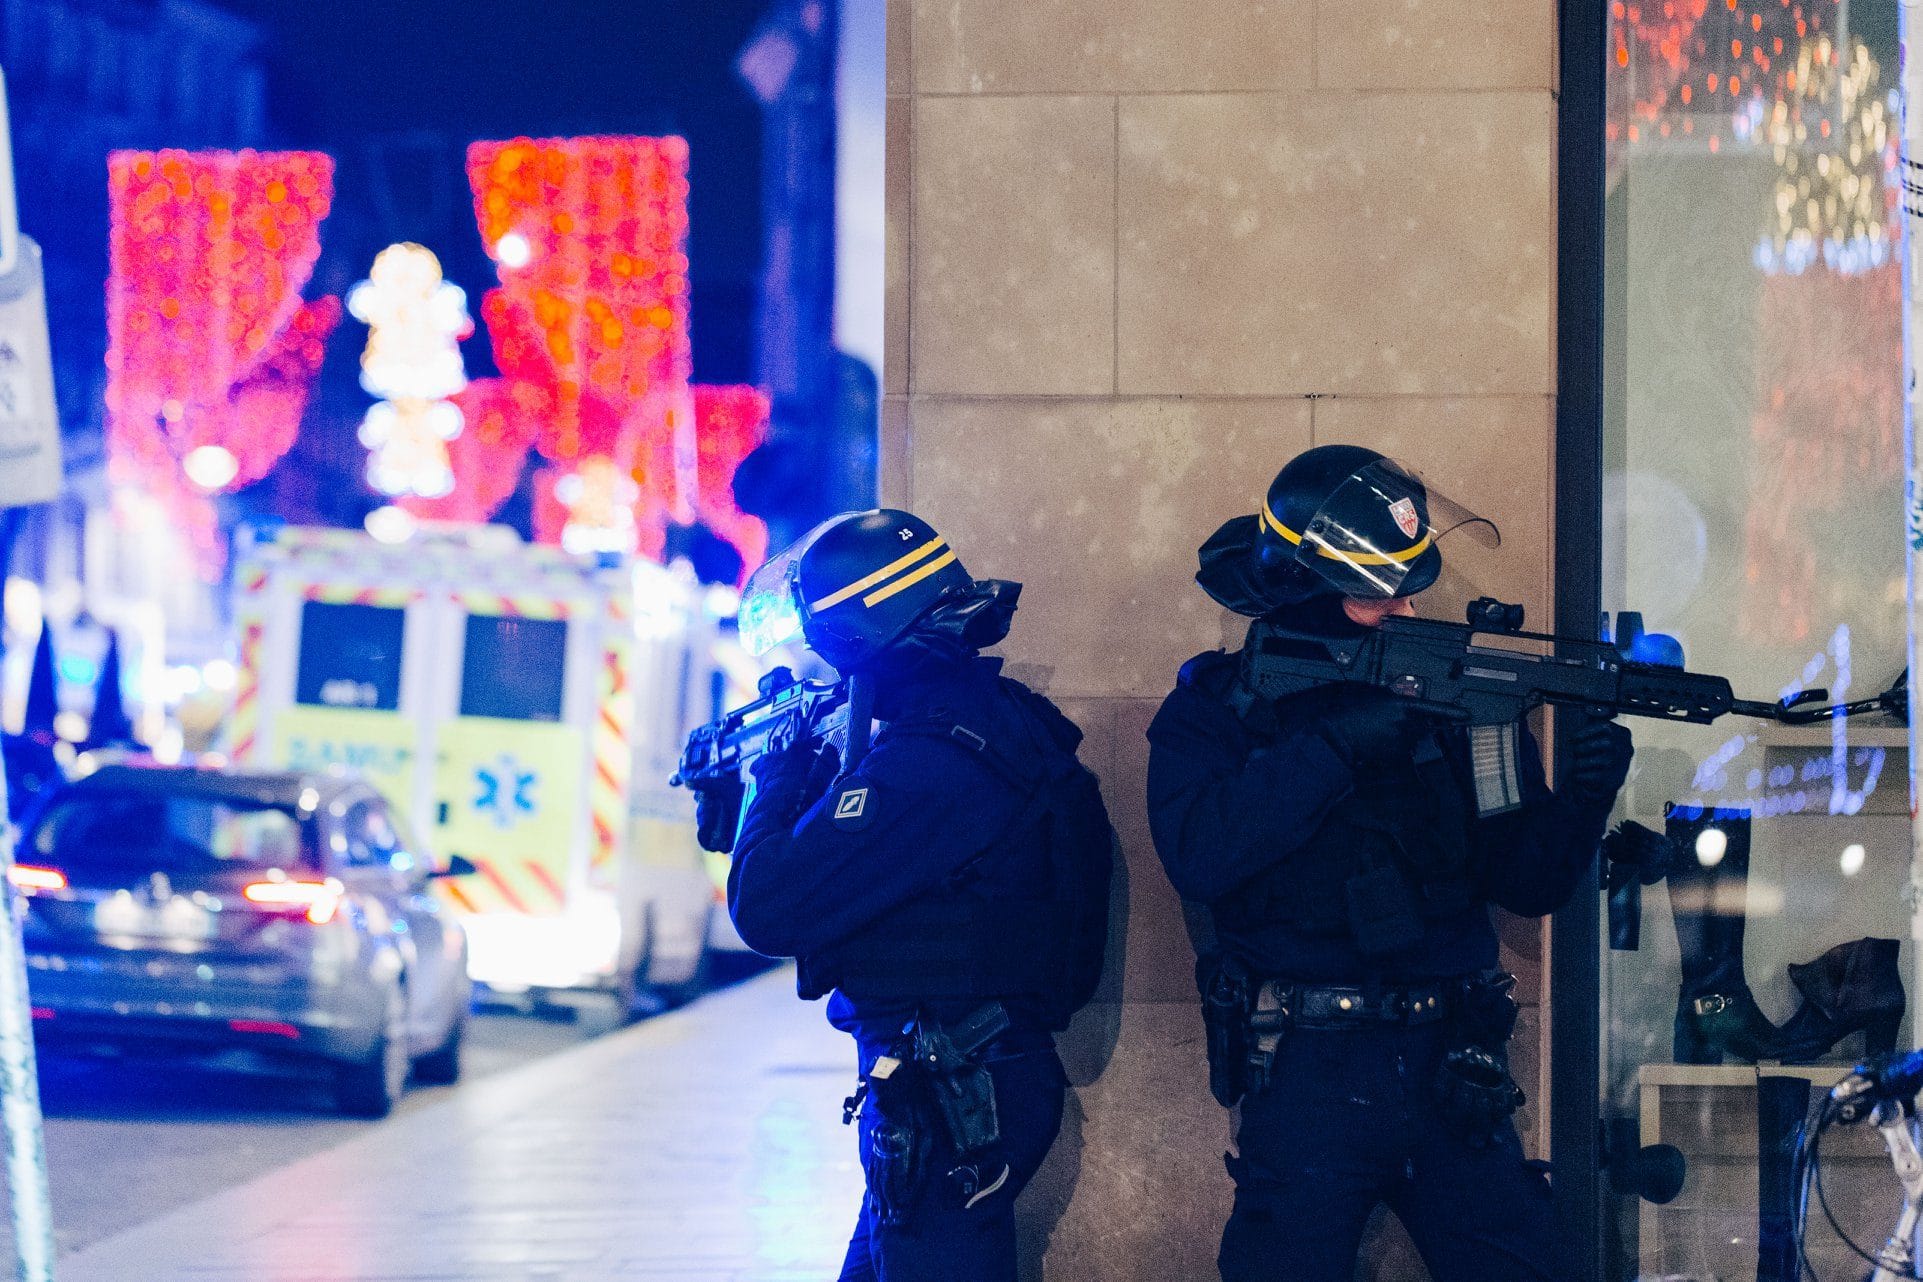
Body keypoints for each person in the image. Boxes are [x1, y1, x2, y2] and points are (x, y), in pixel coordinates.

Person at [1146, 445, 1633, 1282]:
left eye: (1406, 586)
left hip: (1453, 1059)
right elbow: (1200, 855)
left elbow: (1526, 883)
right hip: (1304, 1066)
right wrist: (1334, 748)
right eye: (1375, 594)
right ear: (1305, 584)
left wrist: (1583, 801)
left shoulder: (1457, 699)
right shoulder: (1221, 705)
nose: (1403, 607)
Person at [695, 509, 1113, 1282]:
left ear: (857, 632)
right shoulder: (973, 724)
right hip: (953, 1076)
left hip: (954, 1088)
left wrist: (776, 781)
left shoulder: (934, 758)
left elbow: (768, 906)